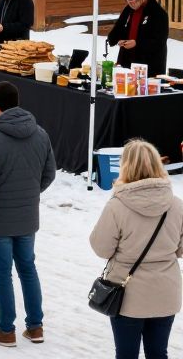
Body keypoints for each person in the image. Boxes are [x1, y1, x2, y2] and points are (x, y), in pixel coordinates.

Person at [0, 81, 55, 346]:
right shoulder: (39, 134)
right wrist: (30, 194)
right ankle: (36, 326)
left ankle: (6, 329)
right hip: (27, 217)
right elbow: (49, 173)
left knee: (3, 273)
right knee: (28, 268)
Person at [90, 138, 183, 359]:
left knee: (126, 354)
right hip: (165, 292)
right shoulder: (176, 204)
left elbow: (101, 248)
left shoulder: (117, 206)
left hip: (127, 294)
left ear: (126, 166)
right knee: (158, 352)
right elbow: (180, 250)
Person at [107, 0, 170, 77]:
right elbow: (119, 27)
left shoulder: (158, 13)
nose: (131, 5)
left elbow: (159, 41)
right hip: (128, 61)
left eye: (134, 2)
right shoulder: (128, 10)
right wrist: (118, 39)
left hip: (149, 64)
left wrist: (137, 43)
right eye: (129, 2)